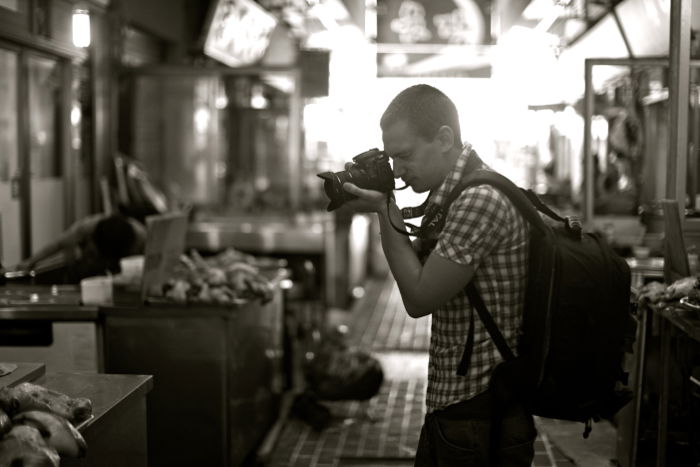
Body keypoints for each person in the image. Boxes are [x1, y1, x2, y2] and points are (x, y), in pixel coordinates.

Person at [342, 84, 536, 466]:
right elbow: (419, 268)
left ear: (444, 138)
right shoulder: (455, 194)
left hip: (479, 408)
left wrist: (385, 210)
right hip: (469, 404)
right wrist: (387, 207)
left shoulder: (478, 200)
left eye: (405, 156)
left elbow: (418, 298)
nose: (397, 172)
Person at [16, 213, 146, 282]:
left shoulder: (141, 238)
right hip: (85, 275)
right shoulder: (88, 226)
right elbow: (59, 244)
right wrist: (30, 261)